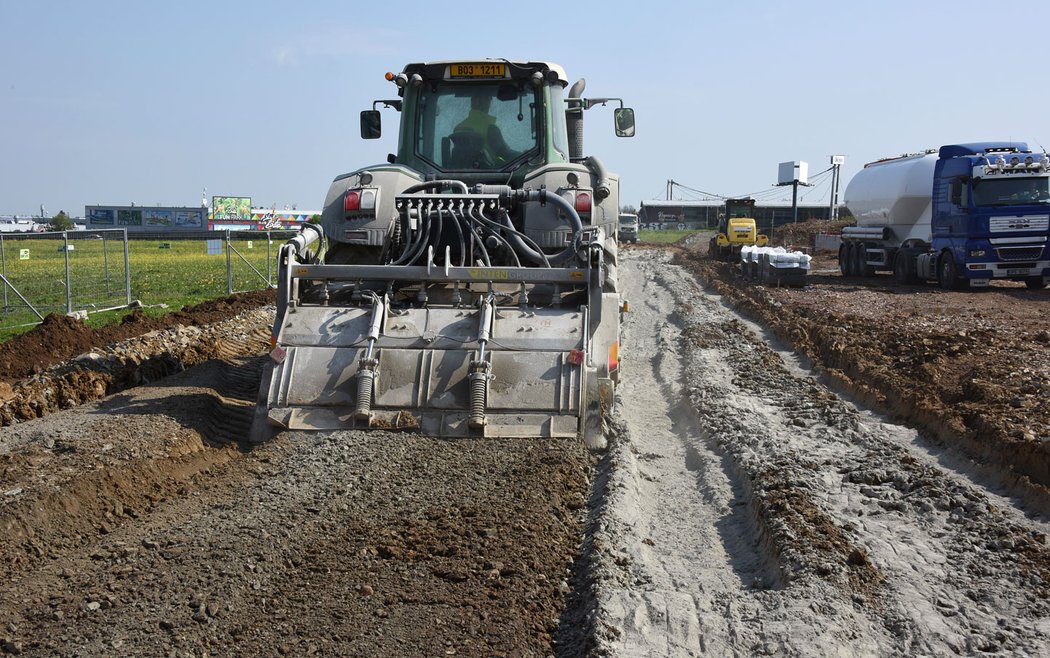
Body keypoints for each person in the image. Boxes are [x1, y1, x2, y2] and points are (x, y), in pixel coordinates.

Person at [451, 94, 509, 166]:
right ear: (478, 102)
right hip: (490, 173)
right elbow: (505, 154)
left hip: (458, 172)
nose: (490, 102)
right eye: (489, 98)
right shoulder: (491, 128)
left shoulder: (458, 128)